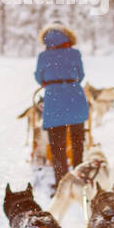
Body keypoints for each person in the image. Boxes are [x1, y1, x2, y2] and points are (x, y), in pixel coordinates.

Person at [35, 22, 89, 186]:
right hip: (75, 99)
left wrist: (53, 83)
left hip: (54, 102)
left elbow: (39, 78)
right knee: (77, 143)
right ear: (67, 34)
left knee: (58, 147)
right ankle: (80, 180)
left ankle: (62, 183)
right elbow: (80, 75)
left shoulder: (43, 56)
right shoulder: (74, 53)